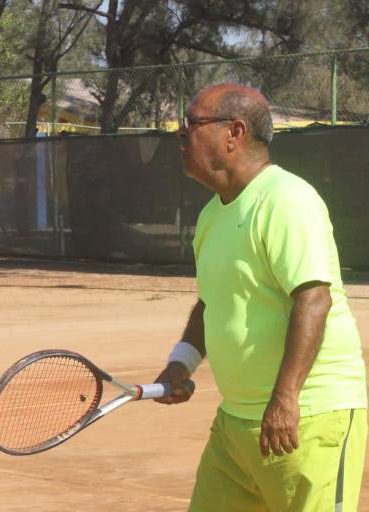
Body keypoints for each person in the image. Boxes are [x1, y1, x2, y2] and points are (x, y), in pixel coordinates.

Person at [154, 83, 367, 511]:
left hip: (306, 419)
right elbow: (211, 303)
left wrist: (285, 400)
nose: (181, 136)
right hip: (236, 424)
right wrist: (179, 365)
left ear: (234, 132)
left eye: (191, 125)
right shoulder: (212, 214)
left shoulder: (286, 199)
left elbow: (313, 298)